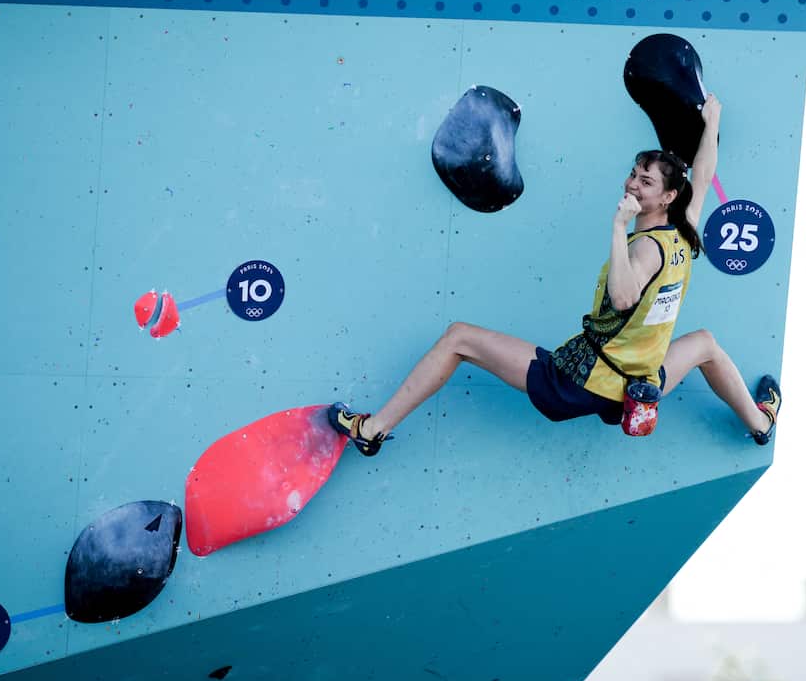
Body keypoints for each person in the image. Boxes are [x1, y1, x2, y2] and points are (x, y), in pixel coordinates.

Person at [329, 94, 781, 456]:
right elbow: (702, 177)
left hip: (581, 382)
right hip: (640, 384)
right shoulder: (683, 232)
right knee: (704, 344)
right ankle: (761, 424)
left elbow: (623, 298)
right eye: (632, 175)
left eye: (644, 181)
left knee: (458, 338)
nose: (631, 184)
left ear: (665, 197)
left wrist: (617, 225)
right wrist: (712, 123)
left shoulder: (644, 247)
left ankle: (372, 430)